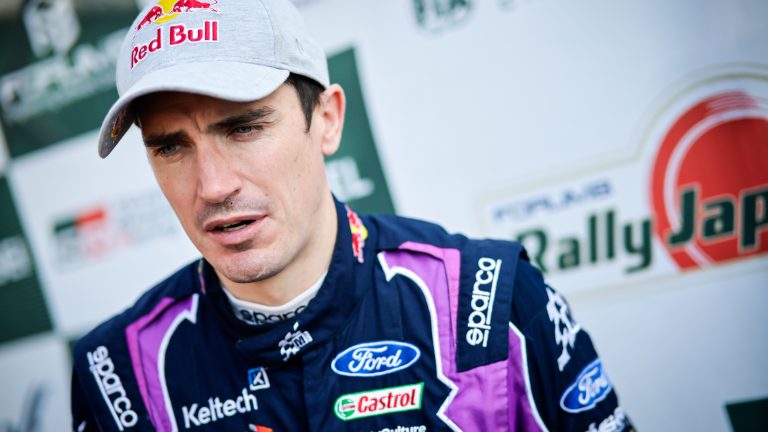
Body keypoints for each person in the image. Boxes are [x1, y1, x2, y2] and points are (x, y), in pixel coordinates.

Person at [71, 0, 635, 431]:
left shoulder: (491, 299)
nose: (213, 186)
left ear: (328, 120)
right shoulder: (117, 373)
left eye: (244, 128)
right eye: (171, 147)